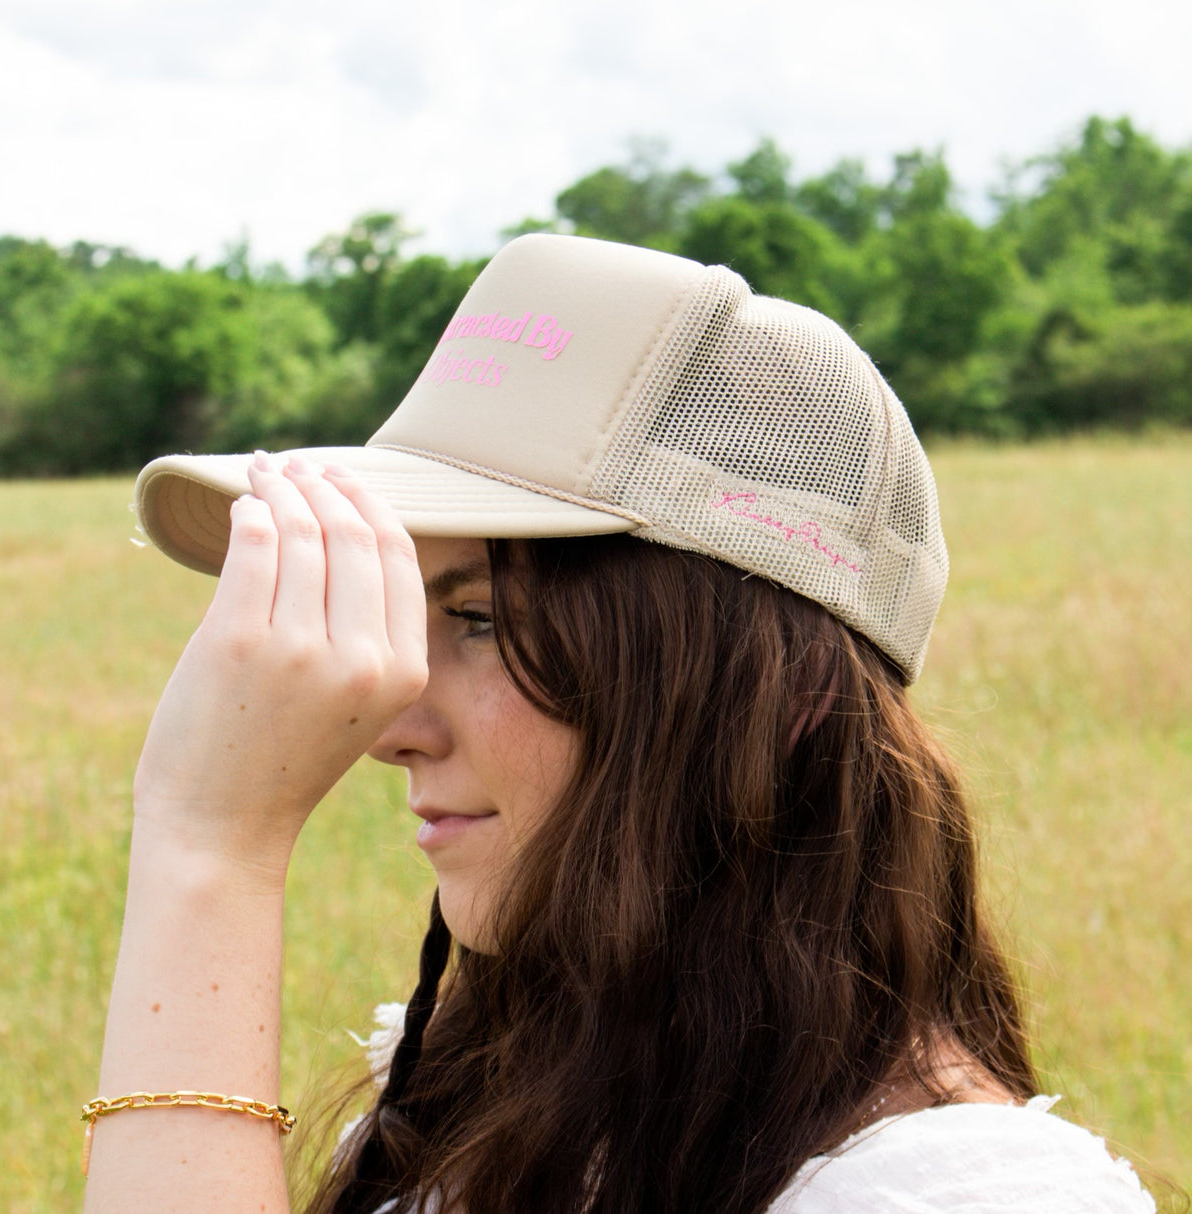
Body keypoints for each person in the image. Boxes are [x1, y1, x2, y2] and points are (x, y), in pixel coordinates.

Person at [85, 235, 1157, 1214]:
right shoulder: (485, 1101)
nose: (388, 725)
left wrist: (210, 848)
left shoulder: (950, 1199)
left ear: (782, 697)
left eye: (479, 617)